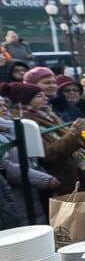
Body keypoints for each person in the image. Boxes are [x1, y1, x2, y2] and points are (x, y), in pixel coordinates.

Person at [0, 88, 59, 225]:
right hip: (16, 193)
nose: (3, 108)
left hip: (32, 189)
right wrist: (43, 179)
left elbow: (32, 159)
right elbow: (7, 167)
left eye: (4, 105)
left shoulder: (11, 127)